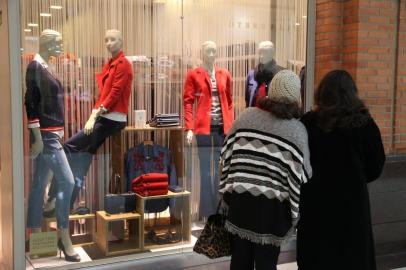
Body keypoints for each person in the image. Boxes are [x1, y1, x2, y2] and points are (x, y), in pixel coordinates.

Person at [219, 70, 312, 270]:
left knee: (239, 261)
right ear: (296, 98)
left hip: (241, 204)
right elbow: (303, 174)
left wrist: (228, 189)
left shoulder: (245, 117)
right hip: (273, 212)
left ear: (271, 91)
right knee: (267, 264)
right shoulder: (297, 130)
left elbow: (225, 155)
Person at [296, 70, 385, 270]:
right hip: (352, 208)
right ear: (352, 93)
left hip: (315, 206)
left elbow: (298, 163)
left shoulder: (309, 123)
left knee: (317, 256)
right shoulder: (365, 124)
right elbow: (376, 166)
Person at [44, 29, 133, 215]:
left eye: (113, 39)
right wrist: (94, 113)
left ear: (121, 41)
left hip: (113, 119)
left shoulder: (123, 64)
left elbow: (114, 94)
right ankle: (64, 206)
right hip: (104, 117)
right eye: (106, 39)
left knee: (67, 147)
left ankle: (53, 197)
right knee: (82, 160)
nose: (109, 43)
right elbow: (102, 94)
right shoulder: (110, 64)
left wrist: (94, 116)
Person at [25, 29, 80, 262]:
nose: (61, 46)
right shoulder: (35, 67)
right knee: (67, 182)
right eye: (57, 42)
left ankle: (36, 236)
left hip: (52, 135)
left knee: (39, 185)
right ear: (46, 43)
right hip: (46, 137)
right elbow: (30, 102)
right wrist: (37, 137)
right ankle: (63, 236)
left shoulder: (44, 66)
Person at [183, 41, 233, 218]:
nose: (211, 54)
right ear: (202, 53)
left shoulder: (224, 73)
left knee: (219, 168)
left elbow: (229, 101)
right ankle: (206, 210)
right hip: (203, 129)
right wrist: (189, 127)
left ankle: (219, 209)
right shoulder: (194, 74)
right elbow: (188, 102)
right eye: (208, 51)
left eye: (214, 51)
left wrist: (230, 124)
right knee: (205, 169)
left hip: (221, 129)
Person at [245, 41, 284, 107]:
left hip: (273, 115)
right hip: (254, 114)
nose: (262, 56)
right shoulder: (251, 74)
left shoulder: (281, 74)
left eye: (265, 52)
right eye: (260, 52)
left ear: (272, 53)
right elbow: (247, 100)